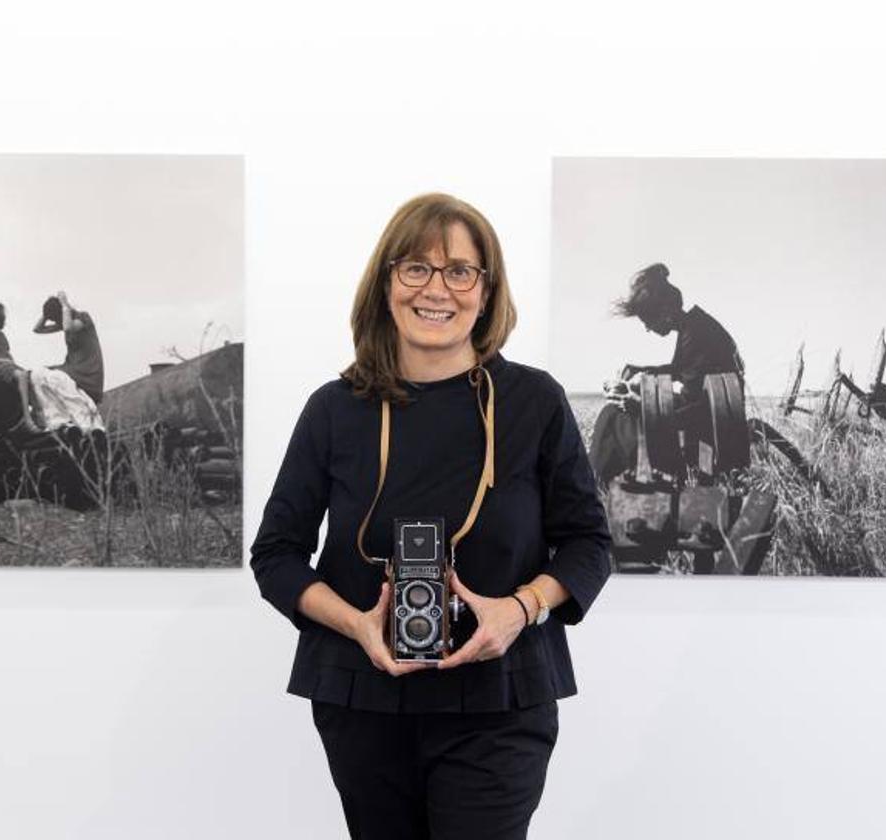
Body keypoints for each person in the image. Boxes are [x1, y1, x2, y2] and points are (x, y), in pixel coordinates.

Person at [251, 193, 611, 840]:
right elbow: (276, 555)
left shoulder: (534, 402)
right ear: (386, 284)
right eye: (415, 268)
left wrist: (521, 608)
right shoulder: (335, 409)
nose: (436, 289)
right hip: (363, 693)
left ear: (486, 288)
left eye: (459, 271)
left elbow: (587, 544)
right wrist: (357, 624)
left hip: (502, 695)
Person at [590, 262, 744, 481]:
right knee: (614, 416)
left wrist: (639, 405)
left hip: (708, 431)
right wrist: (644, 372)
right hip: (711, 421)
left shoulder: (695, 335)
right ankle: (596, 484)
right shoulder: (696, 326)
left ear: (665, 314)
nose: (647, 329)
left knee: (613, 416)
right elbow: (684, 371)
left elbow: (693, 407)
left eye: (648, 322)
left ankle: (594, 486)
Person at [0, 301, 41, 433]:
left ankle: (39, 414)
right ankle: (27, 418)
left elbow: (7, 354)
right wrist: (5, 361)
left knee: (31, 377)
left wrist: (11, 363)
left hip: (7, 365)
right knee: (22, 376)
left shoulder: (1, 335)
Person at [33, 291, 104, 404]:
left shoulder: (83, 317)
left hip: (86, 371)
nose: (57, 322)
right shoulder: (65, 322)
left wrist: (64, 304)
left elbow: (68, 327)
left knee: (46, 375)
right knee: (37, 374)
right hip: (72, 367)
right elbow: (37, 330)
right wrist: (45, 314)